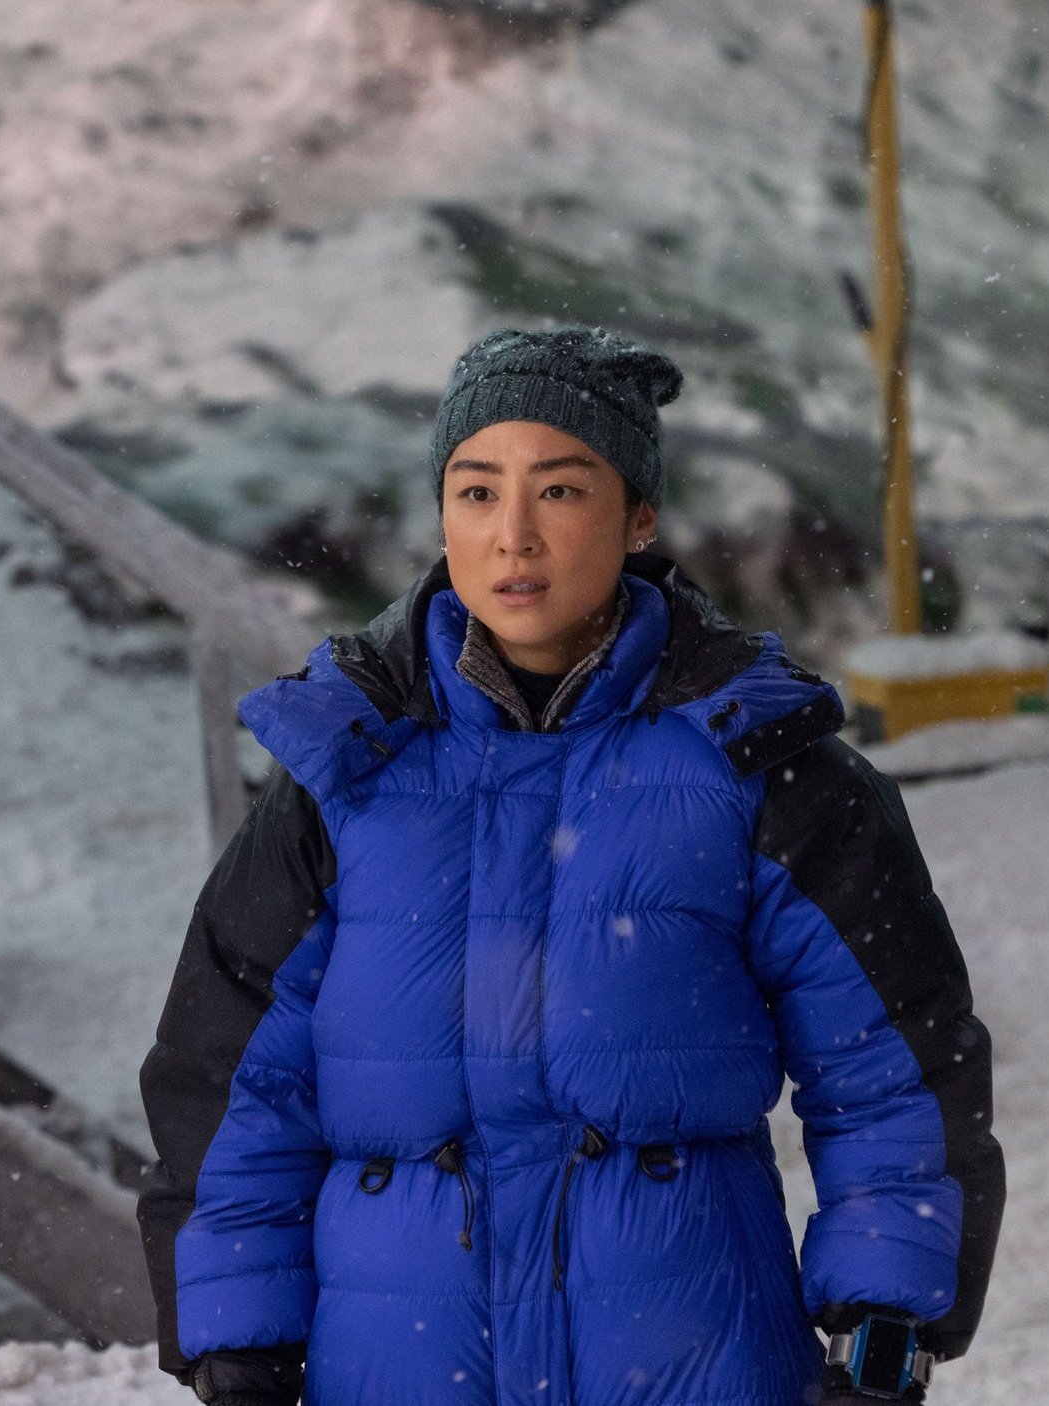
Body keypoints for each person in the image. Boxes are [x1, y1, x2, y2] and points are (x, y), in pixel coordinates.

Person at [137, 327, 1003, 1406]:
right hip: (401, 1368)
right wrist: (238, 1346)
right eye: (475, 491)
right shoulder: (346, 768)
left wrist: (885, 1329)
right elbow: (234, 1083)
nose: (513, 535)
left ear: (639, 516)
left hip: (695, 1364)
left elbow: (891, 1069)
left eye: (558, 490)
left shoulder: (760, 764)